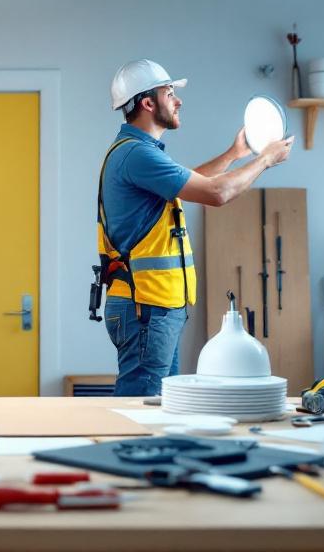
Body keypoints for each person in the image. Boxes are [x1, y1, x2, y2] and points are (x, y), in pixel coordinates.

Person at [96, 59, 293, 396]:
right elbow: (217, 193)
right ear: (147, 103)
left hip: (155, 305)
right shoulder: (136, 155)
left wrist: (235, 154)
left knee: (158, 407)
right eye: (169, 93)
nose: (178, 100)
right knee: (141, 407)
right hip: (147, 306)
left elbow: (195, 181)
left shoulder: (140, 152)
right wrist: (264, 160)